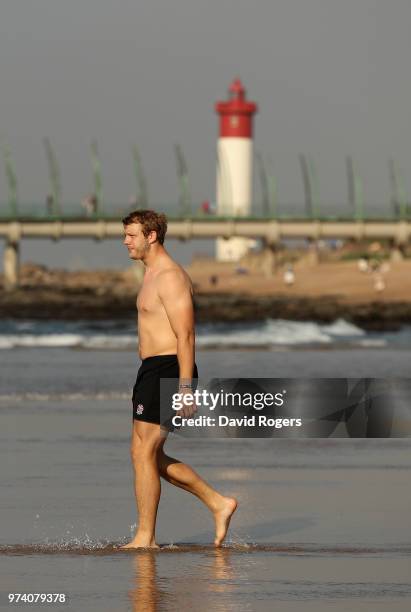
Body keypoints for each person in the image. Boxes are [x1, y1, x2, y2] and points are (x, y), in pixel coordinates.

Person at [120, 210, 237, 549]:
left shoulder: (169, 277)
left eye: (131, 235)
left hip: (170, 369)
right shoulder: (150, 273)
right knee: (145, 455)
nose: (125, 241)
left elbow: (186, 335)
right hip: (152, 370)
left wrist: (185, 388)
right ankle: (218, 503)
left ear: (151, 236)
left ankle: (146, 537)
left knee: (145, 453)